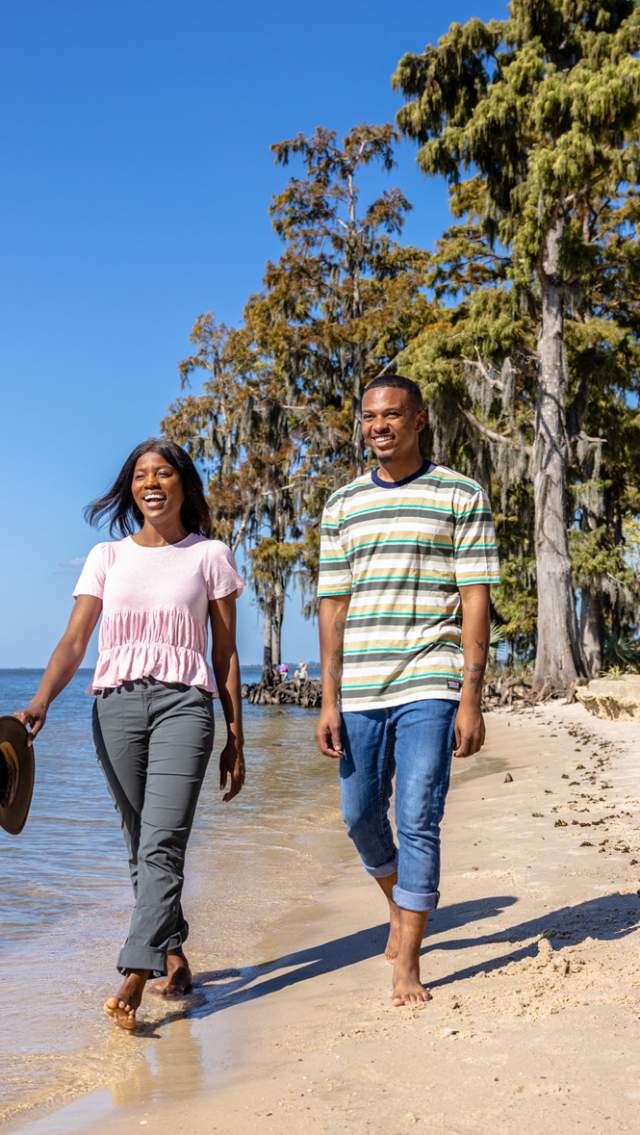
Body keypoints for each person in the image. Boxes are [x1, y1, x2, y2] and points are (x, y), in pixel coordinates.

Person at [15, 438, 245, 1030]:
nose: (151, 483)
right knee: (140, 842)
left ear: (181, 484)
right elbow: (74, 642)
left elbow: (225, 654)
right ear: (131, 487)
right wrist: (40, 701)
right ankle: (173, 953)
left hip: (184, 705)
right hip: (113, 706)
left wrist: (235, 735)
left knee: (163, 841)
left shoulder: (210, 556)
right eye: (141, 474)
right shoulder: (106, 557)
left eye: (163, 473)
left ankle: (135, 973)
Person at [315, 376, 500, 1007]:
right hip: (361, 686)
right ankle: (399, 905)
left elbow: (476, 599)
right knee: (359, 815)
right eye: (369, 417)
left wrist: (471, 697)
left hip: (432, 678)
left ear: (418, 420)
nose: (379, 426)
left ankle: (409, 965)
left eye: (392, 415)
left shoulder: (461, 494)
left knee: (418, 815)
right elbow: (333, 606)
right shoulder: (340, 505)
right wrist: (327, 698)